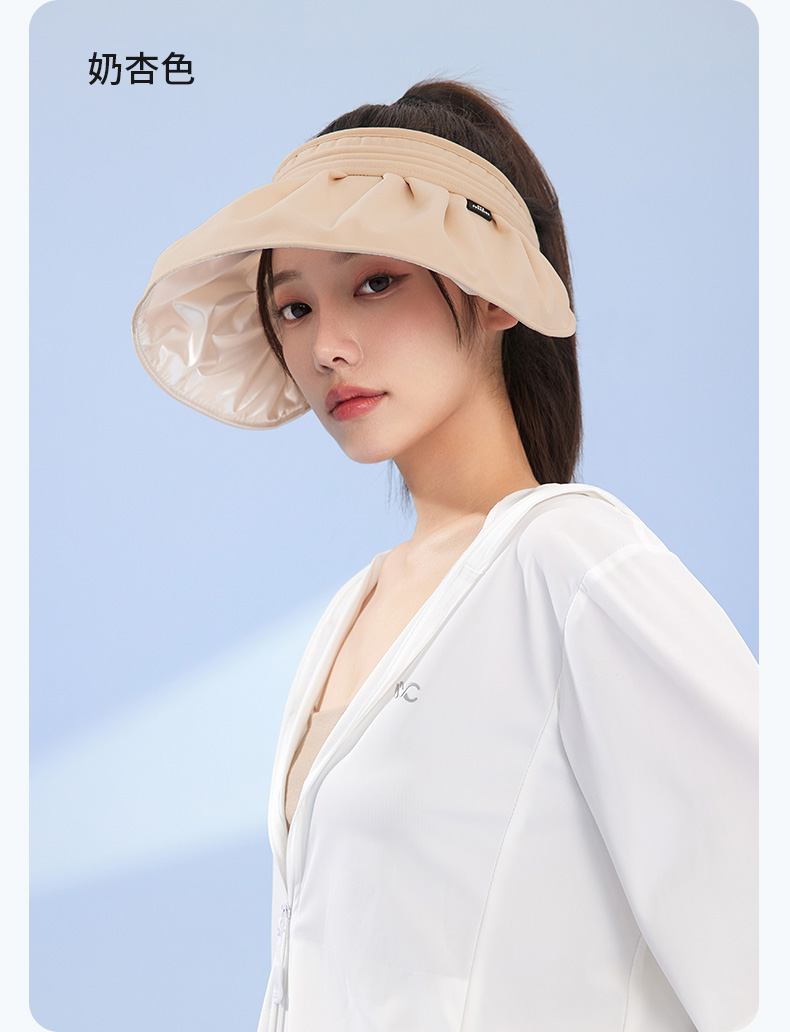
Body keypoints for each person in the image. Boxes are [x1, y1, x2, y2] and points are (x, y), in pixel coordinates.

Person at [132, 80, 757, 1032]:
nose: (326, 346)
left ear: (494, 291)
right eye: (292, 307)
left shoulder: (571, 563)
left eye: (374, 283)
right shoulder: (353, 611)